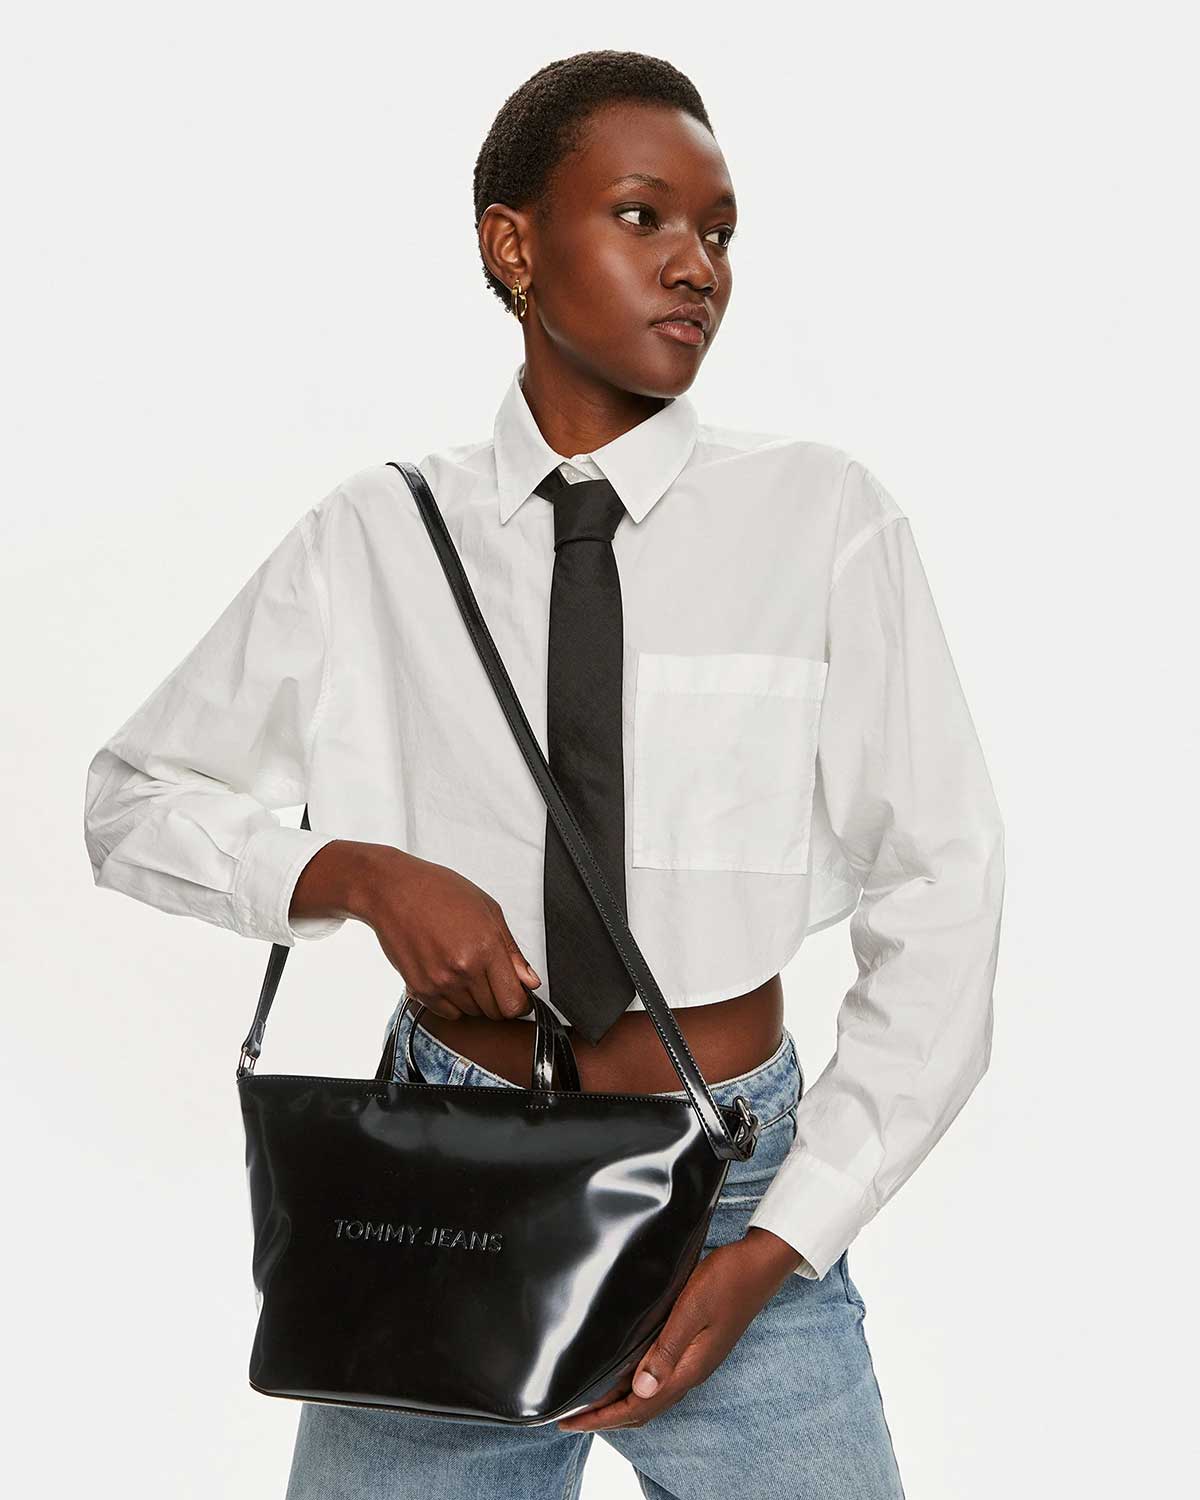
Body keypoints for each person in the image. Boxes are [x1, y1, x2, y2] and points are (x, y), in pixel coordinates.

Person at [83, 48, 1004, 1500]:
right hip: (448, 1195)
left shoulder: (822, 520)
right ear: (513, 247)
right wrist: (354, 873)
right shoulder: (376, 537)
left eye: (719, 230)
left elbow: (945, 885)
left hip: (735, 1190)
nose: (696, 264)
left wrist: (783, 1243)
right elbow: (132, 798)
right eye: (644, 216)